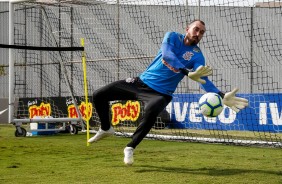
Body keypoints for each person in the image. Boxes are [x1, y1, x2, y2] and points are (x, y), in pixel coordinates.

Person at [88, 20, 249, 165]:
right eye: (196, 29)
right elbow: (168, 55)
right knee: (99, 94)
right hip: (140, 83)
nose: (198, 34)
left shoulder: (198, 56)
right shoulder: (172, 36)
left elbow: (203, 80)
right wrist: (186, 72)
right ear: (187, 29)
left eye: (202, 33)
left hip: (161, 94)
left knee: (153, 108)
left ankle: (130, 147)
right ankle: (106, 127)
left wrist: (221, 95)